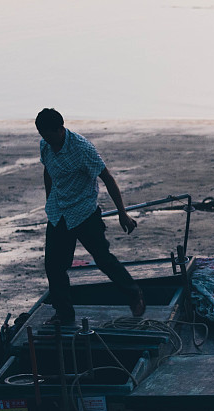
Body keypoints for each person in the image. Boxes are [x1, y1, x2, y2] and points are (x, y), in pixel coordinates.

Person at [35, 108, 145, 325]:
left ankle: (134, 294)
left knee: (103, 259)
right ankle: (64, 315)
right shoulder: (45, 145)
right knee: (54, 266)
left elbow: (108, 179)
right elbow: (48, 170)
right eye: (42, 136)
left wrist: (123, 214)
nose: (46, 140)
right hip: (59, 213)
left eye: (48, 135)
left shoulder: (82, 149)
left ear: (60, 129)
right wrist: (50, 200)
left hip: (85, 212)